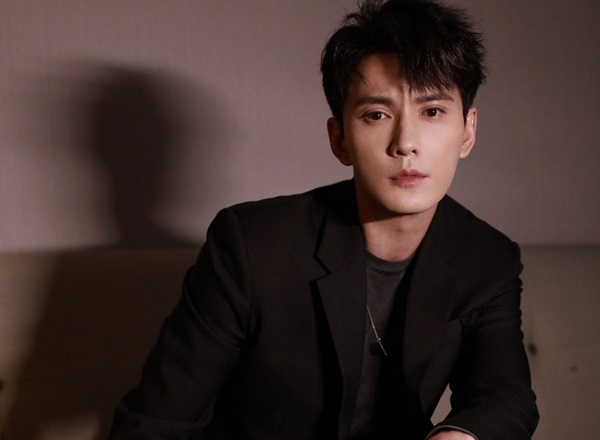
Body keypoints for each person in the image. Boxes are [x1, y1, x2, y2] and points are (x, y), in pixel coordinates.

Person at [110, 0, 539, 438]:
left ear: (467, 131)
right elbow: (154, 424)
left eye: (432, 112)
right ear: (340, 140)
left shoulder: (487, 258)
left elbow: (506, 396)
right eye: (376, 115)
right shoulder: (251, 247)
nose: (405, 143)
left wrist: (459, 436)